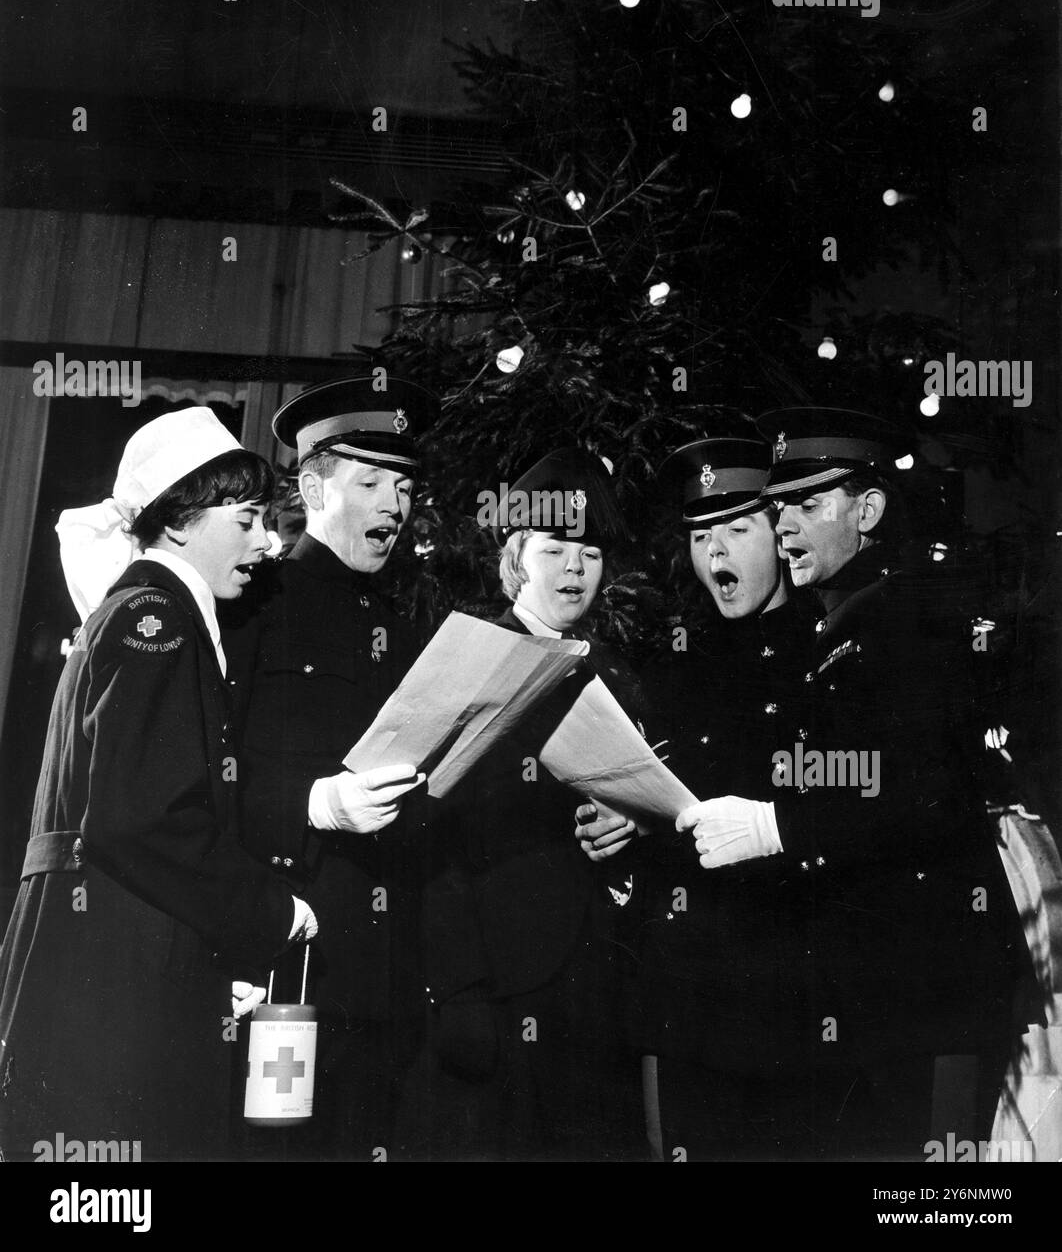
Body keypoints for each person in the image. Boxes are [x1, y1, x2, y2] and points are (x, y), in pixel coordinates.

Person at [670, 405, 1026, 1158]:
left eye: (806, 503)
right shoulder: (834, 621)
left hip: (926, 992)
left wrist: (776, 827)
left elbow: (928, 795)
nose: (785, 525)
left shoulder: (916, 617)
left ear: (866, 510)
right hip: (858, 996)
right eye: (776, 507)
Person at [0, 407, 316, 1161]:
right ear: (178, 523)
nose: (265, 542)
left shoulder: (134, 609)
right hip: (116, 974)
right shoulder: (157, 619)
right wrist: (268, 912)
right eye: (244, 520)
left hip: (95, 958)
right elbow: (140, 819)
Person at [399, 448, 646, 1161]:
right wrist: (461, 990)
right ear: (515, 558)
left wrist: (631, 827)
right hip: (497, 997)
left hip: (600, 994)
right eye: (556, 548)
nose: (575, 568)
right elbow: (428, 837)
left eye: (592, 552)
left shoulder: (621, 677)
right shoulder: (470, 664)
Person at [580, 435, 819, 1159]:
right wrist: (626, 821)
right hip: (685, 996)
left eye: (737, 529)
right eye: (701, 535)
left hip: (793, 999)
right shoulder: (675, 665)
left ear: (779, 533)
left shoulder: (827, 650)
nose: (717, 554)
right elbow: (665, 792)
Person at [223, 373, 438, 1160]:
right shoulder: (253, 602)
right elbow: (206, 776)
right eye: (372, 481)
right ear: (312, 486)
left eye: (405, 485)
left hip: (389, 977)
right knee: (280, 1150)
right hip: (290, 970)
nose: (395, 504)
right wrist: (313, 803)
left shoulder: (404, 626)